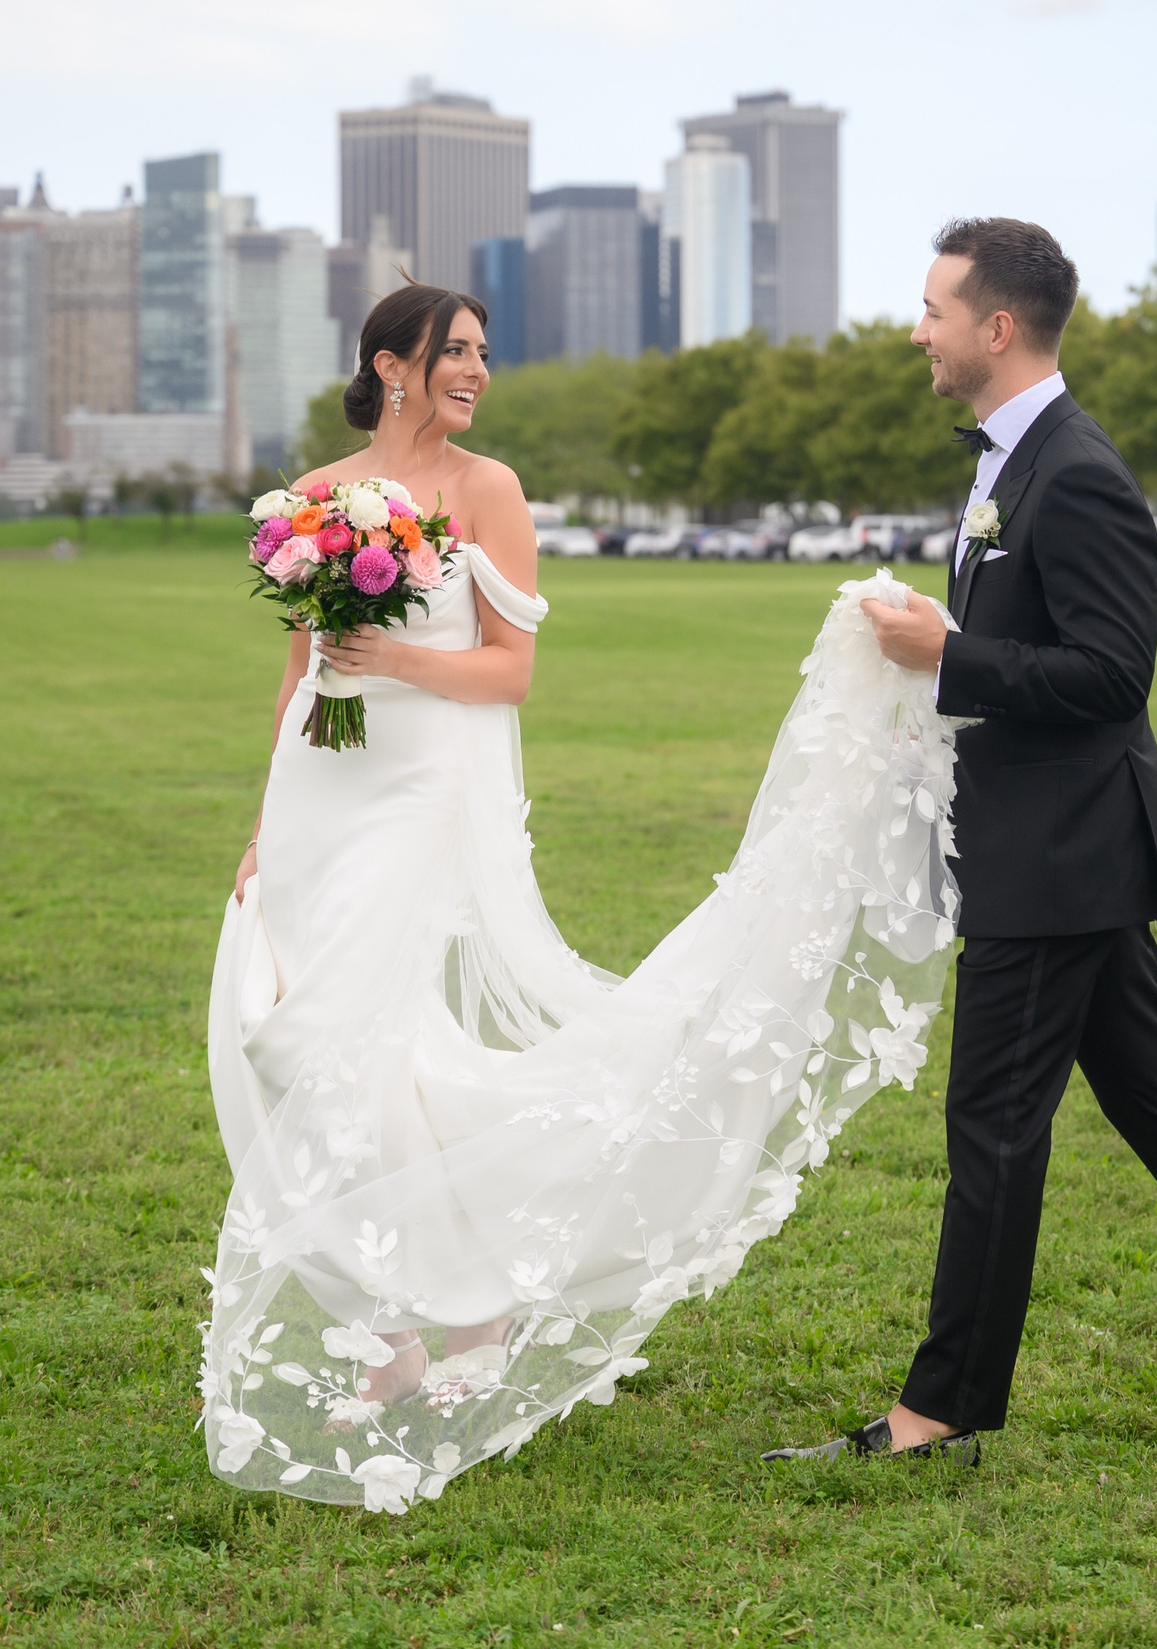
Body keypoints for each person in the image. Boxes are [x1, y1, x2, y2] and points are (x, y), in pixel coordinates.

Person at [202, 284, 967, 1512]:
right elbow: (296, 669)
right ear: (389, 364)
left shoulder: (488, 493)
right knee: (284, 1036)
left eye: (483, 355)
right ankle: (394, 1327)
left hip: (416, 799)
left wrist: (393, 656)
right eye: (454, 354)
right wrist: (261, 822)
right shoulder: (310, 495)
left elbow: (509, 672)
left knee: (350, 1034)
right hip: (318, 793)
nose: (475, 372)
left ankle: (475, 1317)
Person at [763, 219, 1157, 1465]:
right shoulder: (1012, 459)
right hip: (1063, 849)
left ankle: (936, 1411)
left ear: (995, 327)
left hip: (1056, 859)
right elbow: (1046, 639)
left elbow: (1113, 673)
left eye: (934, 308)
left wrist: (949, 654)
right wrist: (954, 632)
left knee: (991, 1127)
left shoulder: (1078, 468)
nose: (917, 330)